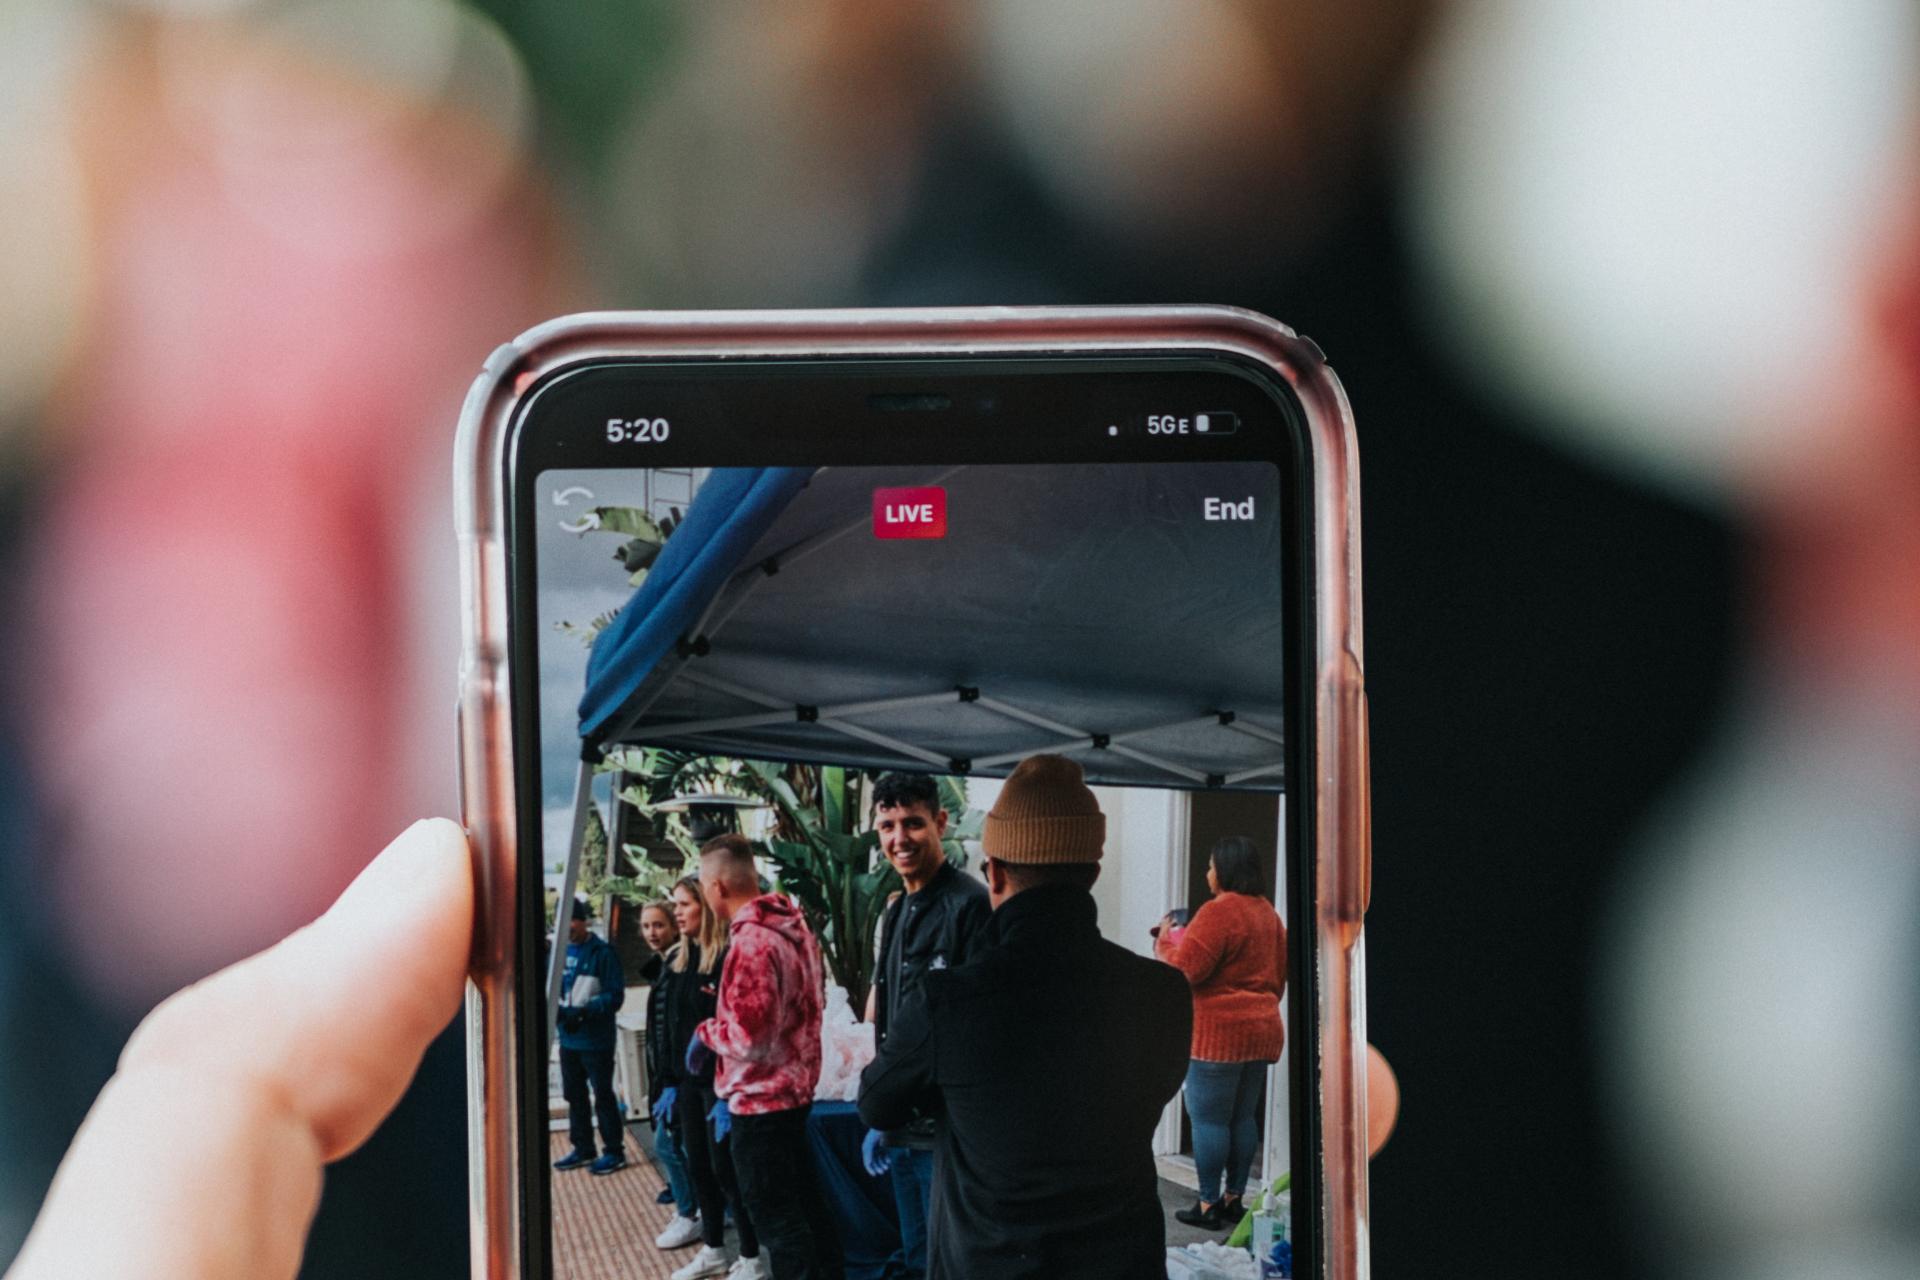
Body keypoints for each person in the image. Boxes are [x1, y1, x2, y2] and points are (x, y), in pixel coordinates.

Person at [856, 754, 1192, 1280]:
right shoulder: (1163, 992)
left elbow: (878, 1101)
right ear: (1092, 873)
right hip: (1121, 1262)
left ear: (994, 873)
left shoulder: (949, 1000)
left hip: (989, 1262)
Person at [689, 834, 844, 1280]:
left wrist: (705, 1034)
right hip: (794, 1098)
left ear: (717, 887)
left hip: (760, 1109)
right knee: (810, 1215)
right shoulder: (796, 930)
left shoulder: (752, 943)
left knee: (781, 1225)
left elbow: (749, 1038)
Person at [858, 772, 991, 1279]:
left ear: (940, 822)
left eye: (913, 823)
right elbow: (889, 1013)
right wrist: (881, 1107)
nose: (900, 839)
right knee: (916, 1256)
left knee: (949, 1260)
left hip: (947, 1131)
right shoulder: (896, 909)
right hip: (900, 1124)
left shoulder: (970, 906)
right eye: (888, 826)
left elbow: (975, 1030)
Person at [1153, 835, 1289, 1230]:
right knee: (1243, 1119)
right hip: (1261, 1031)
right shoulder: (1269, 915)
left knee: (1209, 1121)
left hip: (1218, 1036)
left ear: (1226, 869)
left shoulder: (1219, 912)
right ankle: (1234, 1199)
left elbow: (1184, 971)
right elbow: (1280, 976)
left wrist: (1165, 940)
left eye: (1211, 865)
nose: (1207, 873)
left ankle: (1208, 1205)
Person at [665, 875, 767, 1280]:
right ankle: (713, 1248)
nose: (677, 912)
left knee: (727, 1170)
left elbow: (739, 1025)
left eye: (685, 904)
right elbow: (669, 1028)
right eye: (674, 904)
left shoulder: (728, 957)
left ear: (705, 908)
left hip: (720, 1084)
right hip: (689, 1084)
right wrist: (667, 1082)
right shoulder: (678, 960)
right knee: (698, 1165)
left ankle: (752, 1255)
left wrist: (729, 1091)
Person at [639, 900, 705, 1248]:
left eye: (659, 925)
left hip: (677, 1076)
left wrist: (671, 1080)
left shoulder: (678, 967)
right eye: (647, 926)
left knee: (669, 1144)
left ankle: (690, 1211)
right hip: (668, 1074)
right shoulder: (664, 966)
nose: (652, 932)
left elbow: (673, 1030)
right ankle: (692, 1206)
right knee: (674, 1142)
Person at [554, 897, 627, 1176]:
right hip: (569, 1039)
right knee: (574, 1094)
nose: (568, 927)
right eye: (563, 922)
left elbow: (614, 996)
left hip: (596, 1040)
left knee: (603, 1094)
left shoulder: (603, 953)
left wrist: (583, 1012)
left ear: (583, 920)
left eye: (572, 920)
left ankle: (614, 1150)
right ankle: (583, 1147)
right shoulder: (556, 953)